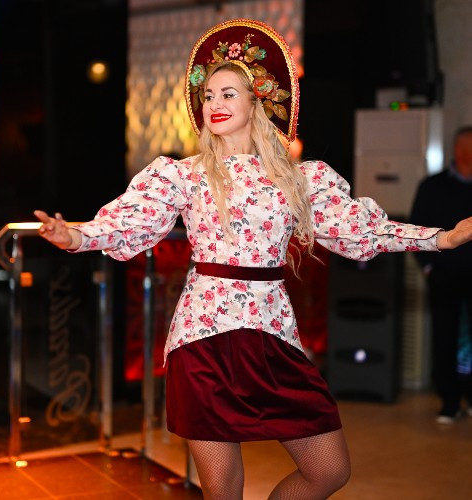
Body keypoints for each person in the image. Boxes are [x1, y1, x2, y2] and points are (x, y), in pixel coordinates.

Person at [35, 19, 472, 500]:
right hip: (202, 340)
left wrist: (441, 239)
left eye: (228, 94)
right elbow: (129, 221)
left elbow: (361, 228)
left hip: (272, 335)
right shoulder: (183, 175)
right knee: (223, 490)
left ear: (256, 102)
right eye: (208, 96)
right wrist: (74, 236)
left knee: (328, 470)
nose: (214, 104)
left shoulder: (300, 178)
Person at [409, 126, 472, 425]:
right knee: (444, 336)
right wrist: (429, 267)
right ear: (456, 150)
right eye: (465, 147)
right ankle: (449, 400)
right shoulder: (433, 186)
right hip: (444, 275)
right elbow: (417, 227)